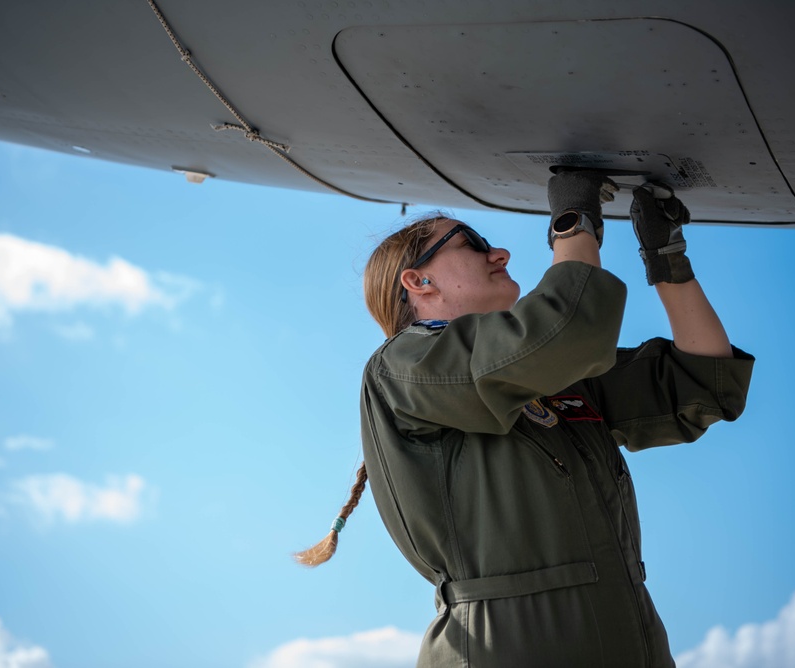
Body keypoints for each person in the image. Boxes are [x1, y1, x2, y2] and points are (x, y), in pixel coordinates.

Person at [295, 171, 754, 667]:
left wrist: (667, 260)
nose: (500, 254)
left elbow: (702, 382)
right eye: (472, 244)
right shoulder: (403, 366)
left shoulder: (553, 376)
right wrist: (573, 221)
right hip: (508, 645)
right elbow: (561, 331)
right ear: (418, 281)